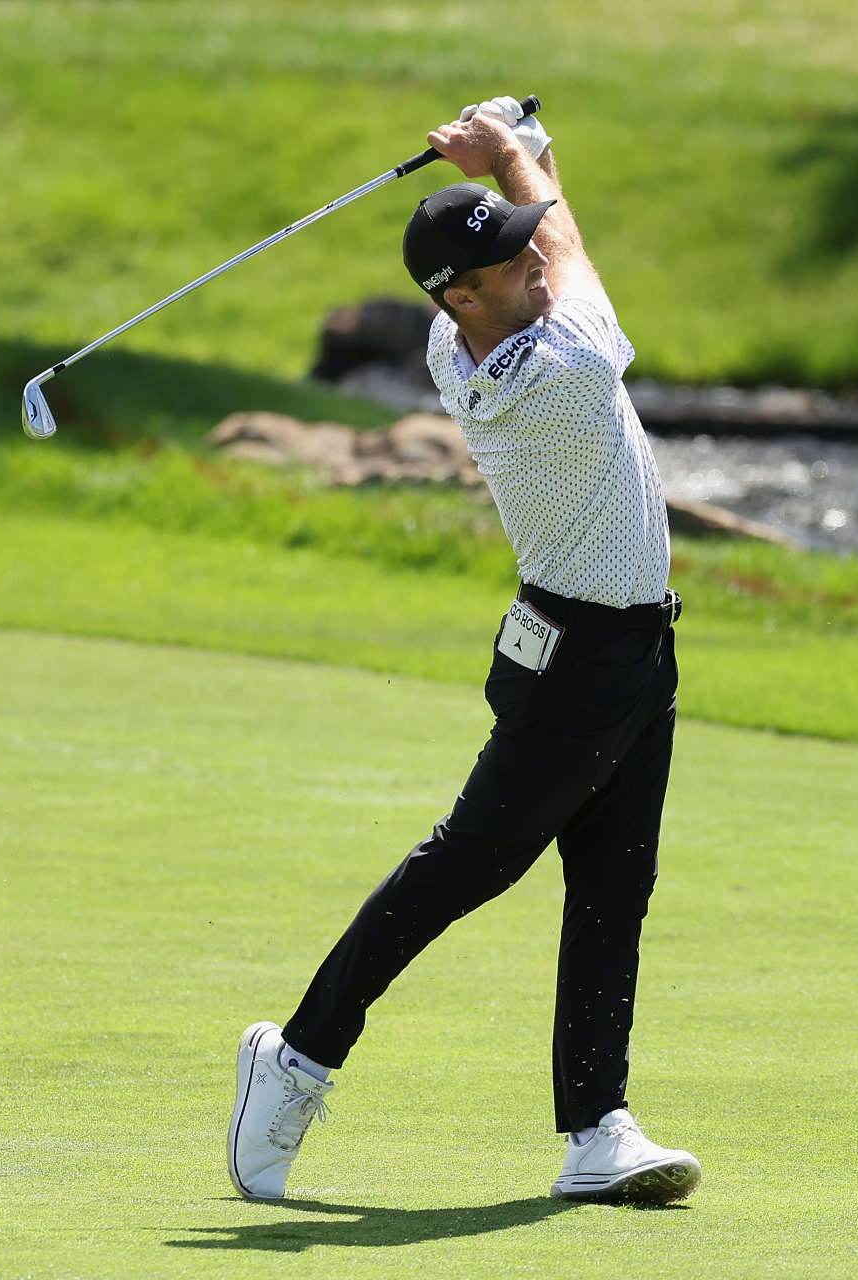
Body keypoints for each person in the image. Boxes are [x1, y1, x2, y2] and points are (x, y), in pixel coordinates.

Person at [226, 97, 698, 1206]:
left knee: (614, 889)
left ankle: (597, 1128)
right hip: (579, 659)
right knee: (466, 868)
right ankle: (292, 1059)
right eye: (503, 259)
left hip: (632, 648)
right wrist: (517, 151)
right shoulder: (559, 366)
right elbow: (567, 241)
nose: (530, 259)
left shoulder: (463, 331)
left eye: (520, 241)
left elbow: (549, 236)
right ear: (459, 295)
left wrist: (510, 168)